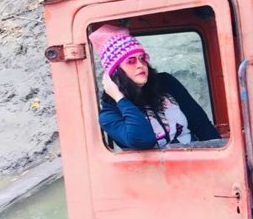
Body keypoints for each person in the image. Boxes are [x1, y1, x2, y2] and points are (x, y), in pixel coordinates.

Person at [90, 24, 220, 150]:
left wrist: (219, 156)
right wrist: (120, 98)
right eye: (131, 61)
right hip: (154, 171)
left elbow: (202, 125)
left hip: (198, 162)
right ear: (115, 71)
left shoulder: (165, 83)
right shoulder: (110, 114)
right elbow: (143, 140)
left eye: (142, 58)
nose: (140, 65)